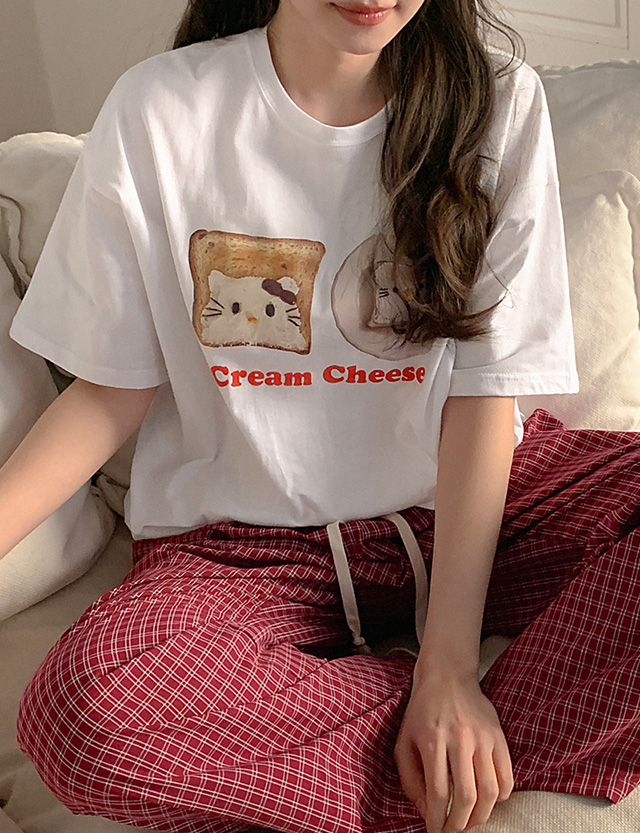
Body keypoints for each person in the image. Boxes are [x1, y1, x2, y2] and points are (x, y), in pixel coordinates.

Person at [2, 1, 640, 832]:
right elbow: (110, 389)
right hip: (242, 554)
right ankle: (450, 764)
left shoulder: (496, 102)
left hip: (475, 504)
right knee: (86, 712)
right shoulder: (160, 109)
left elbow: (483, 397)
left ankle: (429, 743)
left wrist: (450, 667)